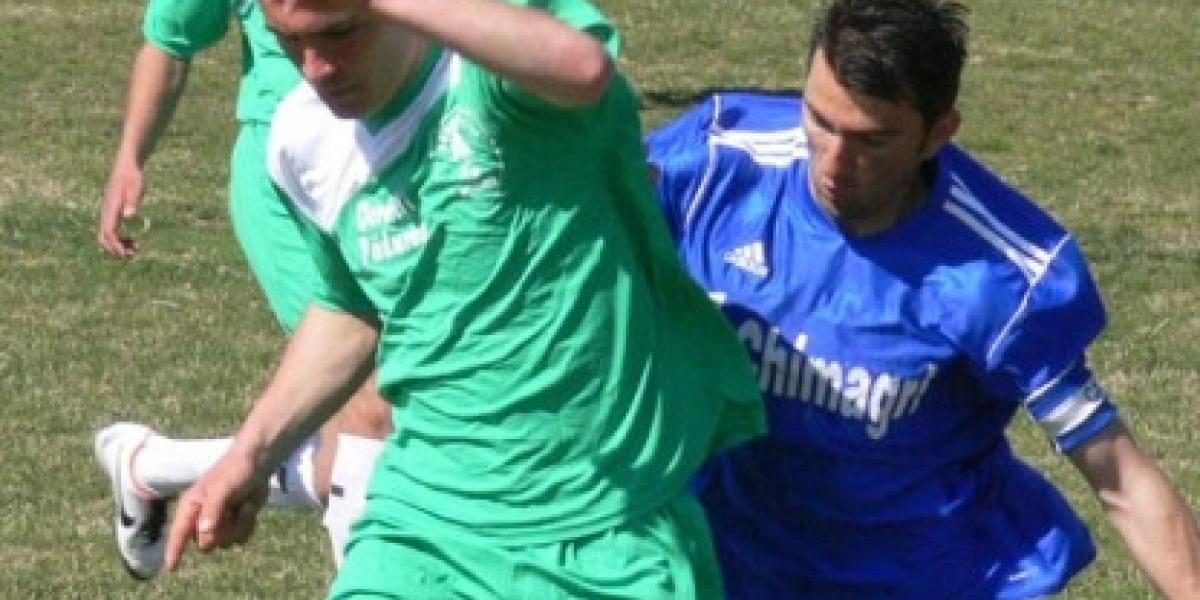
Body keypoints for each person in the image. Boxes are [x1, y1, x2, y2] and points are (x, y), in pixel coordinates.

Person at [162, 0, 765, 598]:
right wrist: (251, 454)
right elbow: (350, 307)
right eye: (290, 41)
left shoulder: (490, 76)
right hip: (424, 521)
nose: (316, 68)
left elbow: (582, 69)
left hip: (604, 526)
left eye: (342, 33)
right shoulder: (302, 137)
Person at [646, 0, 1200, 598]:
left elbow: (1118, 476)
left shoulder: (1000, 274)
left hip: (922, 575)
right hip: (738, 558)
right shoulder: (713, 166)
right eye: (820, 120)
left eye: (872, 140)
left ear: (938, 133)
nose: (833, 162)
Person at [92, 0, 392, 579]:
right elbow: (170, 38)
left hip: (394, 165)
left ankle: (152, 466)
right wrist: (130, 158)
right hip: (292, 184)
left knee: (400, 431)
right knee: (373, 408)